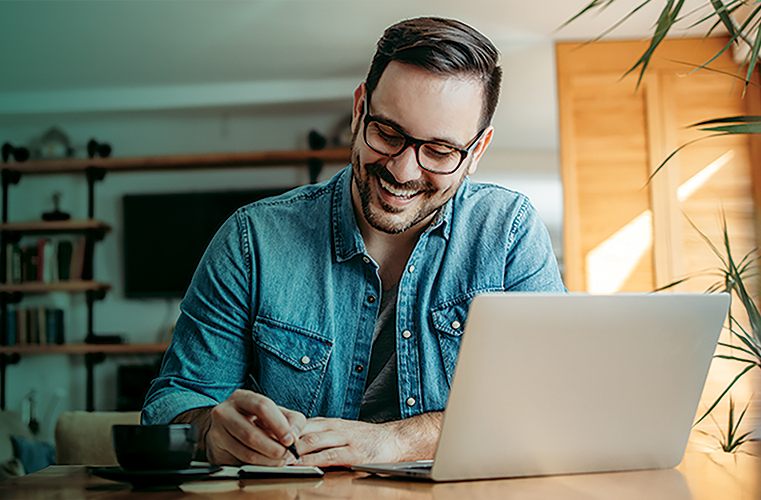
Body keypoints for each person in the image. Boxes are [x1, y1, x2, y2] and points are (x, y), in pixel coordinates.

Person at [142, 16, 565, 467]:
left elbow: (553, 402)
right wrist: (210, 431)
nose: (402, 172)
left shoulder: (509, 233)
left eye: (440, 152)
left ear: (476, 152)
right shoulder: (252, 240)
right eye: (387, 133)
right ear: (360, 109)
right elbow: (170, 405)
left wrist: (396, 442)